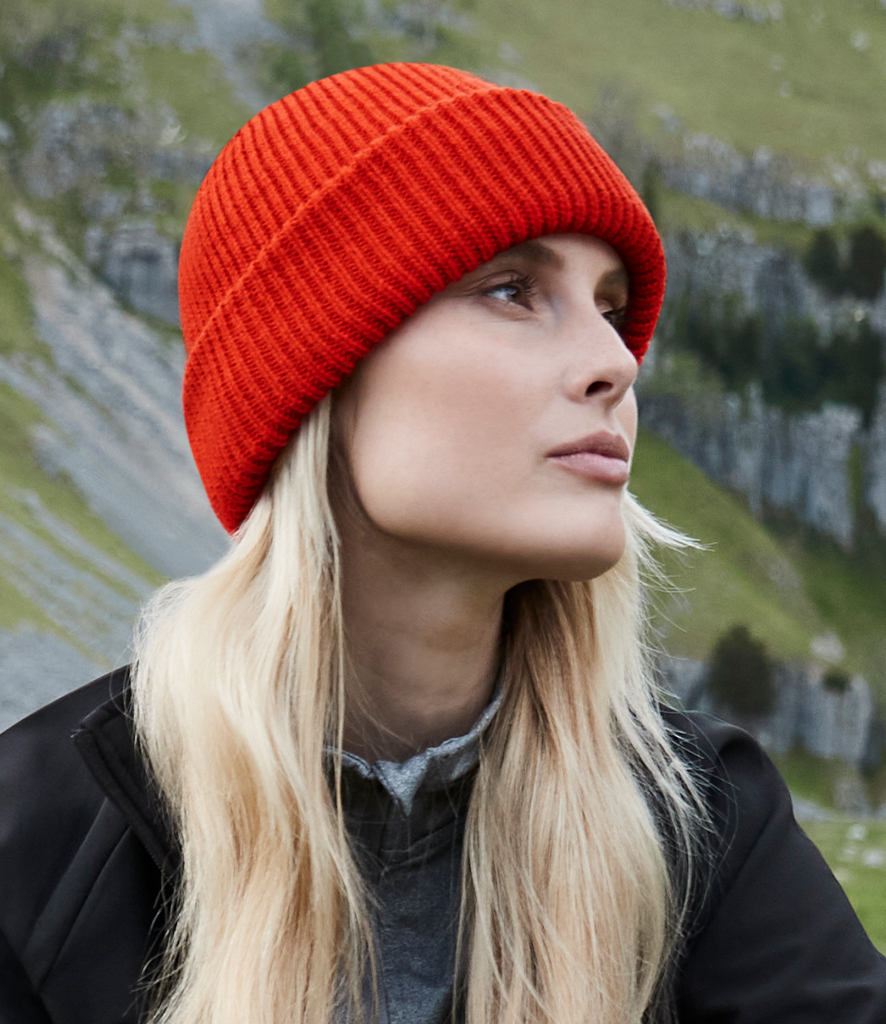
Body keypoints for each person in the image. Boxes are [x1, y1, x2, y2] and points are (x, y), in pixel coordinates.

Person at [0, 61, 884, 1024]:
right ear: (318, 374)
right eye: (511, 290)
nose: (615, 362)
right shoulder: (39, 844)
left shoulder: (703, 818)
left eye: (610, 308)